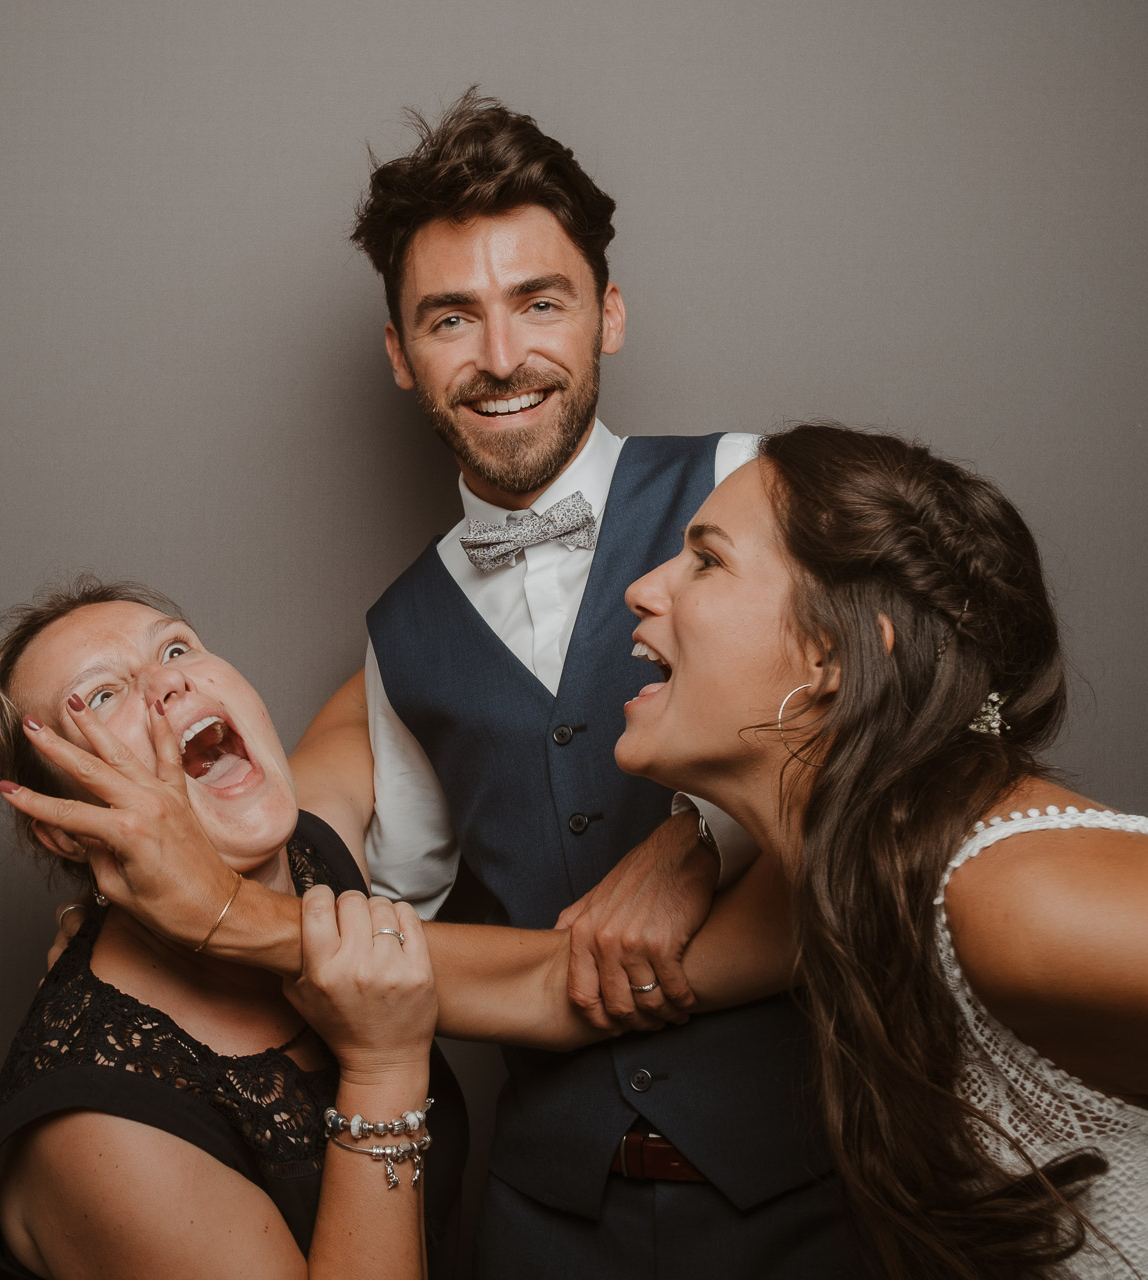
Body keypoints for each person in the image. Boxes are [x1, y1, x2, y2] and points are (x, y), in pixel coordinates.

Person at [7, 423, 1148, 1279]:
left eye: (704, 560)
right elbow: (549, 984)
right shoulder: (866, 892)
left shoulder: (1028, 900)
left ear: (841, 654)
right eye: (104, 697)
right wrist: (196, 908)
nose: (637, 590)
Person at [329, 88, 858, 1278]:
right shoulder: (394, 632)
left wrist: (699, 836)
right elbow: (394, 921)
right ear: (400, 356)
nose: (502, 356)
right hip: (545, 1226)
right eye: (450, 318)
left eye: (540, 302)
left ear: (607, 315)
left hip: (814, 1192)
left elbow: (899, 726)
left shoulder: (748, 484)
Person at [0, 579, 470, 1280]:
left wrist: (681, 828)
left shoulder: (311, 854)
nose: (165, 682)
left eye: (175, 647)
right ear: (65, 832)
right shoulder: (98, 1136)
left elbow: (558, 982)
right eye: (100, 697)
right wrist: (384, 1072)